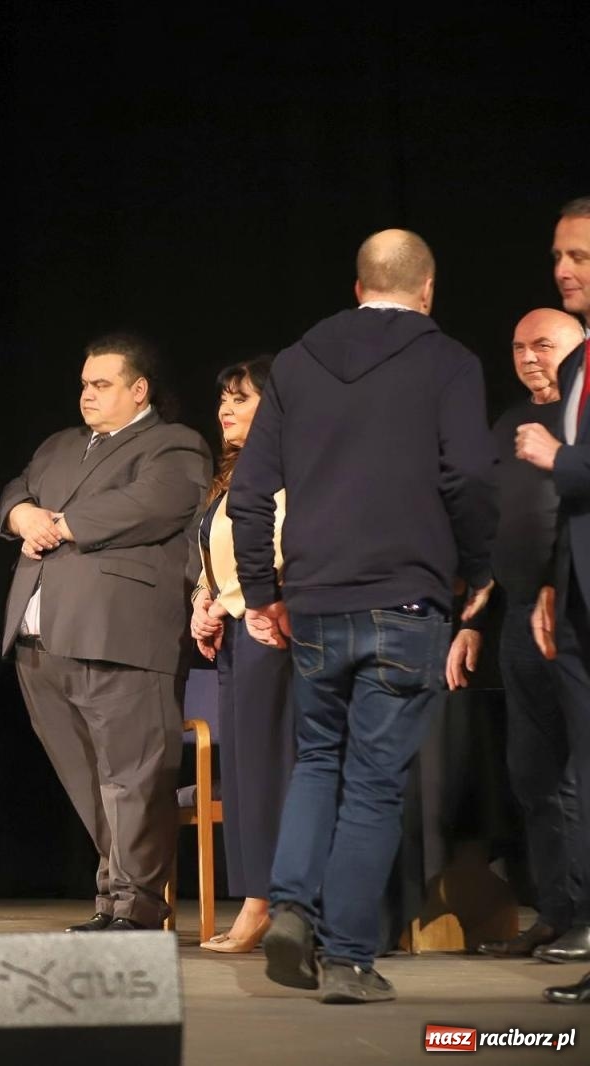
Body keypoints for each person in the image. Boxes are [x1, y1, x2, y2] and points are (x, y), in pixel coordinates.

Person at [231, 229, 496, 1005]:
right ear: (428, 289)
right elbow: (469, 476)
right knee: (375, 784)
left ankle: (289, 908)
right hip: (408, 599)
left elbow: (249, 492)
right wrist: (477, 568)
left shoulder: (297, 363)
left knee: (318, 761)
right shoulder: (449, 362)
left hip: (316, 599)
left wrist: (261, 592)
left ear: (358, 288)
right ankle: (347, 959)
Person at [0, 334, 211, 934]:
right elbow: (17, 488)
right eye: (84, 385)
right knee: (88, 779)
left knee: (132, 777)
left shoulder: (174, 444)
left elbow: (152, 503)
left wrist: (60, 525)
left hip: (119, 639)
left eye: (102, 384)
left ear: (139, 390)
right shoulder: (61, 445)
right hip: (43, 646)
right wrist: (22, 515)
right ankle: (113, 898)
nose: (87, 395)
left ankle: (137, 907)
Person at [453, 309, 580, 962]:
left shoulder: (581, 425)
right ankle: (556, 915)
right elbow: (492, 523)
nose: (529, 356)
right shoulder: (507, 424)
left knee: (580, 775)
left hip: (577, 616)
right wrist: (474, 619)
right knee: (533, 775)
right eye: (519, 346)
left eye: (544, 345)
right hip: (519, 620)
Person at [187, 356, 292, 953]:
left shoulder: (287, 467)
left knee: (265, 768)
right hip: (233, 631)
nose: (225, 409)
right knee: (242, 770)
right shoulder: (232, 474)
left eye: (241, 398)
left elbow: (282, 548)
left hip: (268, 628)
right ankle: (255, 897)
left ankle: (268, 903)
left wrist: (237, 602)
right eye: (224, 398)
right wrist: (203, 601)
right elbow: (217, 553)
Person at [515, 197, 590, 1003]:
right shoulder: (580, 367)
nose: (564, 270)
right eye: (559, 256)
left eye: (581, 257)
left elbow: (574, 475)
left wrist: (558, 458)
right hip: (573, 602)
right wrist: (551, 581)